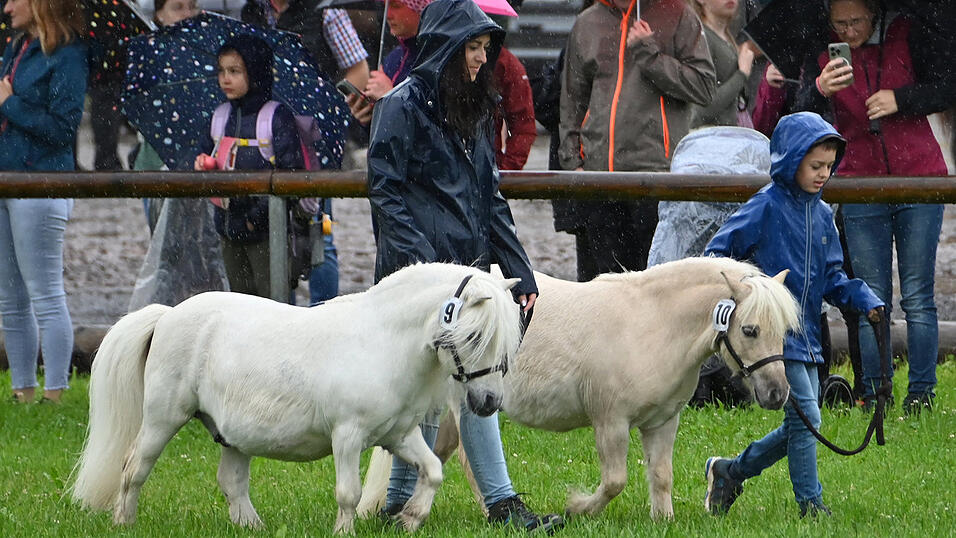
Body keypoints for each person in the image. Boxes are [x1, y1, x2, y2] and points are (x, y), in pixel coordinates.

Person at [366, 0, 562, 532]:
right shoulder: (400, 107)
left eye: (484, 47)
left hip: (466, 275)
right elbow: (385, 192)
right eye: (472, 47)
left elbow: (488, 198)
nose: (480, 58)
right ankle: (482, 504)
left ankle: (431, 503)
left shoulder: (472, 107)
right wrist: (428, 270)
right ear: (446, 48)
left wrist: (519, 269)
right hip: (416, 281)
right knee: (436, 388)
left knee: (462, 385)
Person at [702, 112, 885, 518]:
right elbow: (716, 256)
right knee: (808, 417)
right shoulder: (764, 206)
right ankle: (810, 503)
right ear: (790, 160)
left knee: (801, 423)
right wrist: (750, 292)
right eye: (815, 165)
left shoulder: (822, 216)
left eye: (829, 166)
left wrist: (863, 297)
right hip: (773, 340)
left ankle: (730, 472)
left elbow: (833, 278)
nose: (824, 174)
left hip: (809, 337)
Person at [799, 0, 949, 413]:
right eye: (839, 24)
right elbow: (797, 118)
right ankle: (874, 393)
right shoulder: (821, 53)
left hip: (919, 179)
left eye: (856, 21)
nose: (848, 32)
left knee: (918, 296)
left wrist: (902, 98)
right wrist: (819, 90)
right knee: (870, 296)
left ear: (874, 14)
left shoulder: (910, 33)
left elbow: (946, 88)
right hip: (859, 183)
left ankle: (921, 394)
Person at [558, 0, 715, 282]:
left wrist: (649, 54)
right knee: (605, 284)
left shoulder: (679, 14)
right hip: (599, 178)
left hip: (656, 176)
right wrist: (573, 160)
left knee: (654, 284)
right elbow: (573, 98)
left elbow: (703, 87)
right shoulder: (587, 22)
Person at [242, 0, 370, 304]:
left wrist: (328, 109)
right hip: (263, 133)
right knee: (269, 232)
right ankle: (280, 311)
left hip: (311, 138)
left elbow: (359, 70)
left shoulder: (325, 10)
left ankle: (321, 314)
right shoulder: (253, 11)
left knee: (318, 231)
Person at [0, 0, 87, 403]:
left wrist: (9, 103)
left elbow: (62, 128)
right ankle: (22, 392)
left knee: (46, 294)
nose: (7, 7)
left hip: (40, 183)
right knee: (9, 297)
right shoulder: (16, 48)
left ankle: (55, 394)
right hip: (5, 179)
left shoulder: (68, 55)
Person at [350, 0, 536, 170]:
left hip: (452, 180)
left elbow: (520, 124)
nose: (388, 14)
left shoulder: (491, 63)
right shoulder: (395, 60)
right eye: (474, 47)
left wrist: (503, 173)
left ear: (422, 9)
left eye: (397, 6)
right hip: (413, 179)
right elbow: (394, 140)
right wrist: (372, 117)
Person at [193, 37, 307, 299]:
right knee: (239, 300)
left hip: (267, 232)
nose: (225, 79)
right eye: (221, 71)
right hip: (227, 227)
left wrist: (255, 219)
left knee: (273, 300)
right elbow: (204, 151)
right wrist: (201, 163)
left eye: (234, 71)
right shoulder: (219, 117)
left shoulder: (275, 117)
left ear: (255, 73)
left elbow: (291, 174)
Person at [688, 0, 756, 128]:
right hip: (710, 136)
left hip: (727, 133)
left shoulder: (725, 36)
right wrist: (742, 74)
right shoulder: (701, 38)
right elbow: (698, 111)